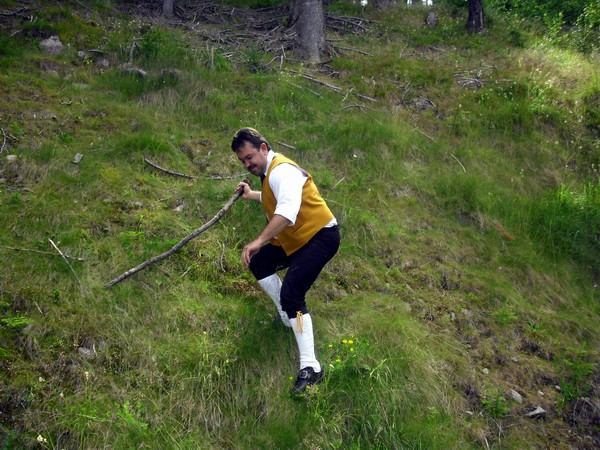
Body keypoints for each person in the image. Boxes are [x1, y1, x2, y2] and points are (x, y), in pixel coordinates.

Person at [231, 127, 340, 394]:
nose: (247, 165)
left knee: (292, 296)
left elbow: (287, 212)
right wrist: (251, 195)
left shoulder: (282, 170)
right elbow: (275, 197)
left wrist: (258, 240)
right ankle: (287, 317)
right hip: (298, 239)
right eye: (243, 161)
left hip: (320, 237)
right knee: (259, 263)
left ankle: (311, 366)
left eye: (249, 158)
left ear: (263, 148)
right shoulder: (270, 174)